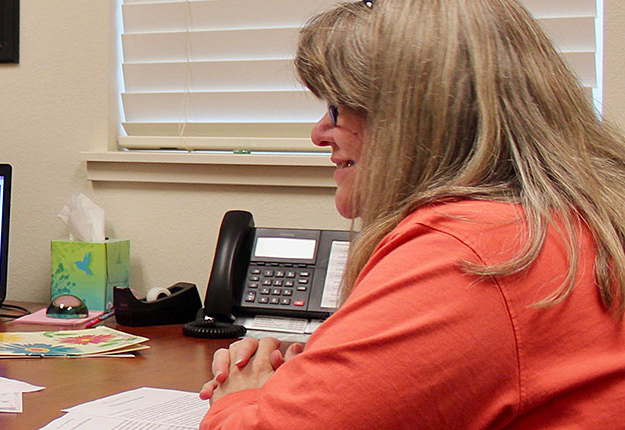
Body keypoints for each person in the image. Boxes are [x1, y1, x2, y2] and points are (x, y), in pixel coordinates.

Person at [198, 0, 625, 428]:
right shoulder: (570, 221)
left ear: (412, 118)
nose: (318, 135)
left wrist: (241, 395)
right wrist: (313, 377)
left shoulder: (471, 254)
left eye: (336, 109)